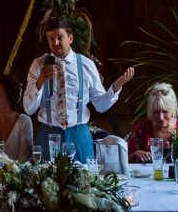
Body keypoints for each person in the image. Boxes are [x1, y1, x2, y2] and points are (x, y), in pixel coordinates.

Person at [23, 17, 135, 162]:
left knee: (83, 182)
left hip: (79, 135)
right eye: (51, 39)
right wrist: (40, 82)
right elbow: (28, 109)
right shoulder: (38, 65)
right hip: (49, 135)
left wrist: (116, 87)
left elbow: (100, 105)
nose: (55, 43)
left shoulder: (86, 65)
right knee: (46, 183)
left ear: (70, 38)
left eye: (59, 38)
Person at [127, 82, 178, 162]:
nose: (161, 117)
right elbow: (124, 158)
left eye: (165, 111)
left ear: (172, 109)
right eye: (156, 112)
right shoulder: (142, 127)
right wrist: (135, 154)